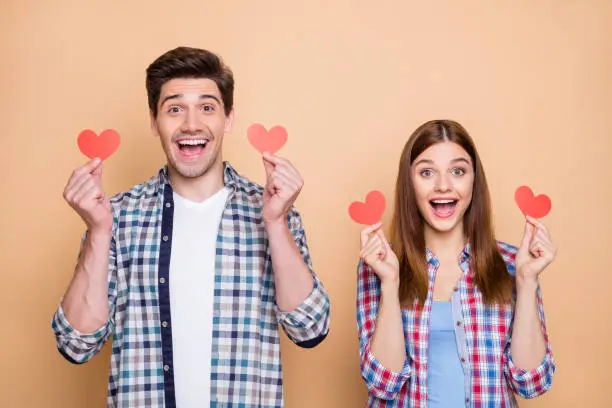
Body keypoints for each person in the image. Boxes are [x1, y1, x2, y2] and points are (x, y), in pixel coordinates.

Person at [51, 46, 330, 408]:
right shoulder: (117, 216)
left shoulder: (273, 211)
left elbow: (309, 329)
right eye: (175, 108)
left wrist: (275, 223)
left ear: (228, 118)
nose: (192, 124)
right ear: (154, 122)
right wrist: (99, 232)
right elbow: (76, 344)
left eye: (207, 107)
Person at [357, 119, 555, 407]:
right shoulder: (379, 264)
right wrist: (390, 283)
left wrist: (526, 282)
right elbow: (383, 383)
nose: (443, 186)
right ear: (409, 184)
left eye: (458, 171)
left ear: (474, 180)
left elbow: (531, 383)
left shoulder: (514, 264)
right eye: (427, 172)